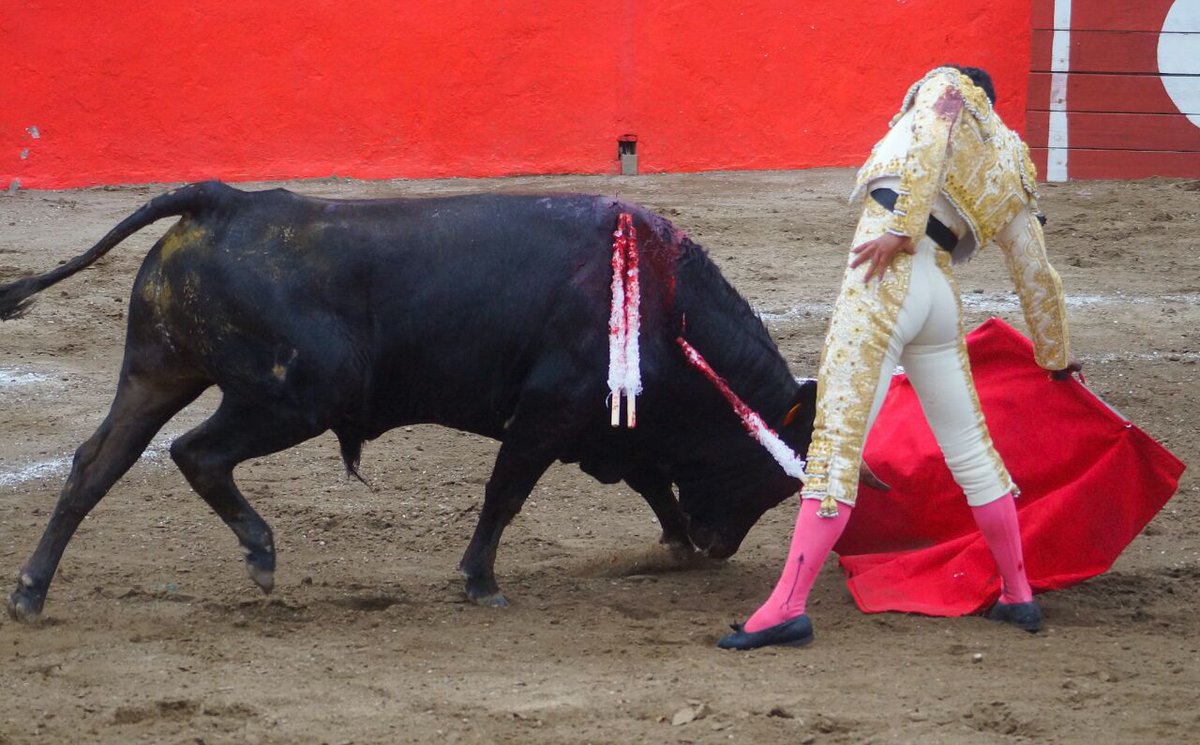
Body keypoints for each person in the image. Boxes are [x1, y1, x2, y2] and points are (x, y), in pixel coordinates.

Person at [719, 65, 1079, 651]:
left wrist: (903, 228)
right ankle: (1018, 594)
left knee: (835, 449)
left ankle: (786, 607)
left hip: (884, 277)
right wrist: (1055, 354)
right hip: (939, 296)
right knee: (973, 453)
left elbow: (932, 136)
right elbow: (1037, 271)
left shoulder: (946, 89)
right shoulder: (1013, 163)